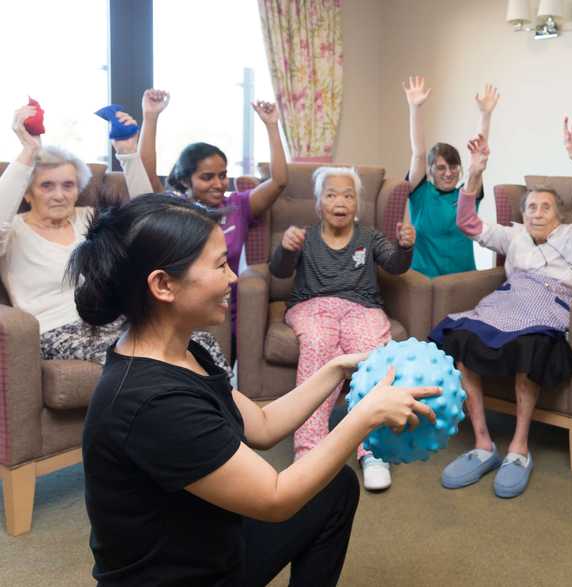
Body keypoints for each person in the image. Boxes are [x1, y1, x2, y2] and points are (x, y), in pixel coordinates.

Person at [73, 193, 437, 586]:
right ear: (163, 285)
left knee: (334, 488)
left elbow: (261, 425)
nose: (233, 277)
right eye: (219, 265)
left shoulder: (185, 350)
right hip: (180, 577)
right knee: (302, 492)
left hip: (211, 544)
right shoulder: (149, 401)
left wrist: (336, 368)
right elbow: (276, 498)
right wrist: (363, 417)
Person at [429, 116, 572, 498]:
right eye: (530, 207)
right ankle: (482, 444)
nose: (536, 212)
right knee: (460, 337)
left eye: (545, 207)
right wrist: (476, 173)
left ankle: (519, 447)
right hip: (506, 303)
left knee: (529, 348)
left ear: (559, 215)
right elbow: (467, 222)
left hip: (547, 306)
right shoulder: (513, 235)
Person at [0, 98, 226, 369]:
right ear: (27, 191)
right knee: (144, 357)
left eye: (68, 185)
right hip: (55, 330)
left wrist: (128, 152)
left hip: (116, 319)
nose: (59, 195)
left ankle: (225, 410)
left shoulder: (91, 220)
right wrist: (29, 150)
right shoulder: (13, 231)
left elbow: (154, 223)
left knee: (201, 342)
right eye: (47, 186)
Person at [270, 167, 415, 491]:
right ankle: (309, 452)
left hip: (361, 307)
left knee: (370, 352)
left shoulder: (370, 236)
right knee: (319, 344)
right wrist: (286, 248)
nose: (340, 201)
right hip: (311, 306)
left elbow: (395, 265)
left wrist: (405, 247)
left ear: (357, 205)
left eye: (348, 195)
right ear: (319, 203)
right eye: (331, 194)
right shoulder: (304, 236)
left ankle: (374, 450)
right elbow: (279, 271)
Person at [140, 88, 289, 334]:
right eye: (207, 177)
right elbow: (146, 179)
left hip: (228, 315)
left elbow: (279, 181)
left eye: (222, 175)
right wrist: (150, 117)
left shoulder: (238, 206)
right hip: (181, 312)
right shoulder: (174, 209)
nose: (219, 184)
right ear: (186, 180)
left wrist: (273, 126)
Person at [402, 76, 499, 277]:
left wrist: (485, 115)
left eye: (453, 166)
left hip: (462, 282)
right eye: (440, 168)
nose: (448, 173)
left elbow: (478, 157)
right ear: (430, 171)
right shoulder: (421, 194)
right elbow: (419, 153)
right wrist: (415, 109)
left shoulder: (465, 197)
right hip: (424, 281)